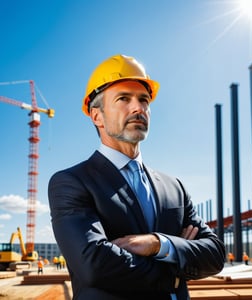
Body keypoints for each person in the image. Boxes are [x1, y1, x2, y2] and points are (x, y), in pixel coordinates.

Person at [48, 54, 225, 300]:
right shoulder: (72, 182)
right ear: (96, 115)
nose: (138, 108)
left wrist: (157, 244)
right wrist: (175, 273)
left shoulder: (174, 188)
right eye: (123, 99)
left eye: (144, 100)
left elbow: (214, 254)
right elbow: (94, 264)